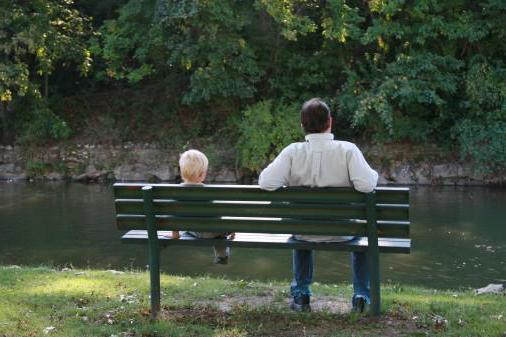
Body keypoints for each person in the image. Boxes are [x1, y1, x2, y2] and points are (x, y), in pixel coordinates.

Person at [258, 98, 378, 312]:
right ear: (330, 121)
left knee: (301, 229)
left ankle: (301, 295)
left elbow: (266, 182)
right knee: (364, 236)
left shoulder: (292, 152)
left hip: (303, 231)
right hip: (344, 231)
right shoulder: (348, 150)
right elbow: (367, 185)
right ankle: (361, 295)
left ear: (302, 124)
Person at [174, 149, 234, 264]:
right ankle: (221, 255)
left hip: (193, 230)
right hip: (213, 232)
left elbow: (173, 215)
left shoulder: (175, 192)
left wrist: (175, 234)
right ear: (202, 174)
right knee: (221, 233)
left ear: (182, 173)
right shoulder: (209, 192)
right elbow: (218, 214)